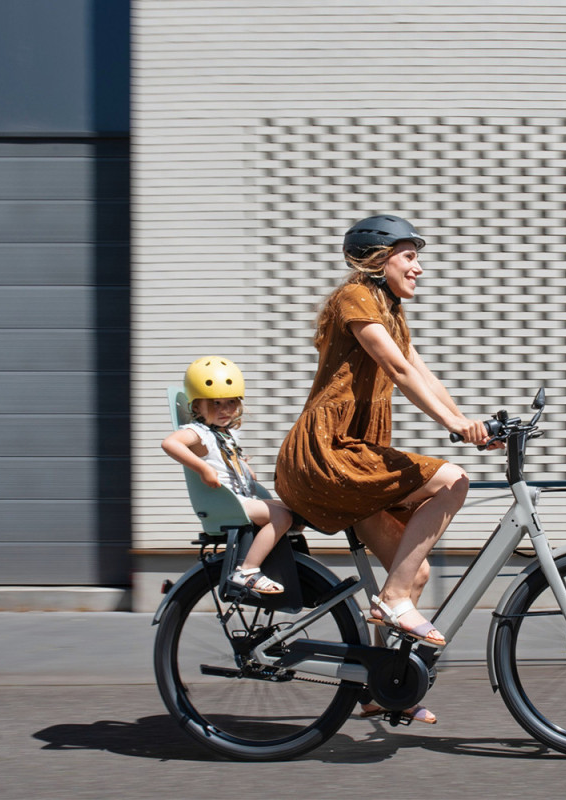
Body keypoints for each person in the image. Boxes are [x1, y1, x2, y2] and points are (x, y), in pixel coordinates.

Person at [275, 215, 496, 723]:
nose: (418, 268)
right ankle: (391, 601)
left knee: (412, 572)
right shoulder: (355, 298)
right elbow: (395, 368)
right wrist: (454, 426)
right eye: (409, 256)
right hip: (328, 453)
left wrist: (469, 422)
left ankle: (380, 688)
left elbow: (419, 370)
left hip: (353, 457)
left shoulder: (390, 312)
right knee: (452, 480)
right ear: (379, 259)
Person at [162, 356, 293, 595]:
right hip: (227, 503)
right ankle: (248, 570)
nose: (225, 410)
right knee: (282, 518)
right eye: (215, 403)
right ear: (196, 407)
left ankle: (278, 565)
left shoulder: (223, 433)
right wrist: (203, 469)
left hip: (240, 498)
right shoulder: (198, 432)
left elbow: (224, 459)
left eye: (231, 402)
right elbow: (170, 444)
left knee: (293, 511)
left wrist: (243, 467)